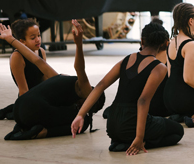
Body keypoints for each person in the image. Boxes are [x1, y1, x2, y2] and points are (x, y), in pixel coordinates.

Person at [71, 22, 183, 154]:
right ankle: (138, 143)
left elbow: (100, 86)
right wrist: (139, 137)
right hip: (131, 124)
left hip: (112, 125)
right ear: (165, 43)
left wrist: (80, 115)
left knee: (155, 122)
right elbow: (142, 101)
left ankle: (122, 142)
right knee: (177, 131)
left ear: (142, 41)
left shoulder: (127, 59)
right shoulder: (159, 67)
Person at [0, 20, 105, 140]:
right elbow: (80, 68)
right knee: (83, 122)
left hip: (19, 110)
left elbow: (38, 61)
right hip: (28, 111)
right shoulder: (84, 89)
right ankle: (41, 132)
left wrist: (10, 39)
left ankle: (21, 124)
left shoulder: (59, 78)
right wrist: (79, 45)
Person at [0, 18, 52, 121]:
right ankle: (13, 109)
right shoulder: (17, 57)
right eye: (33, 37)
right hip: (28, 96)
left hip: (42, 93)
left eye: (39, 35)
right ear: (22, 41)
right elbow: (23, 89)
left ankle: (13, 108)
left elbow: (45, 78)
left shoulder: (41, 51)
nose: (38, 40)